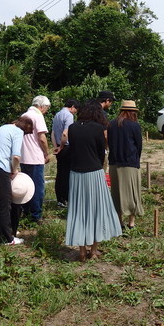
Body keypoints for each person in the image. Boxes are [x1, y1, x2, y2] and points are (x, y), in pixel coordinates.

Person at [65, 102, 122, 261]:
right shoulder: (98, 129)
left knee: (79, 211)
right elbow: (101, 152)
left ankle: (82, 251)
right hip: (94, 172)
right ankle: (93, 250)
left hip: (76, 173)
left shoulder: (72, 128)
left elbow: (73, 149)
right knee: (97, 210)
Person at [0, 116, 34, 244]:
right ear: (26, 129)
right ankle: (8, 238)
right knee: (4, 205)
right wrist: (14, 170)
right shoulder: (18, 132)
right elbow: (16, 156)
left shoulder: (3, 127)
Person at [13, 95, 51, 225]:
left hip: (23, 156)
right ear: (41, 106)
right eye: (46, 108)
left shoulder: (24, 115)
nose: (46, 111)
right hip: (35, 157)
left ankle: (25, 210)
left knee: (26, 186)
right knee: (38, 187)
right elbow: (42, 138)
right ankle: (36, 215)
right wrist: (46, 152)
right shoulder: (38, 116)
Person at [107, 100, 144, 229]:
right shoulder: (134, 126)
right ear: (133, 112)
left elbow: (109, 143)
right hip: (130, 163)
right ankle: (131, 222)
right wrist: (136, 159)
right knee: (132, 193)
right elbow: (139, 145)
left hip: (114, 163)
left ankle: (119, 221)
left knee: (116, 193)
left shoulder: (111, 124)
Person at [51, 98, 80, 208]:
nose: (75, 112)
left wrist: (56, 146)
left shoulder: (57, 114)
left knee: (60, 173)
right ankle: (66, 198)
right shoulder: (69, 115)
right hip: (66, 147)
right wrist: (62, 147)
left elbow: (53, 133)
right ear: (72, 106)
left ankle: (59, 199)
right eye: (75, 109)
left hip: (58, 145)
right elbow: (65, 133)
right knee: (67, 174)